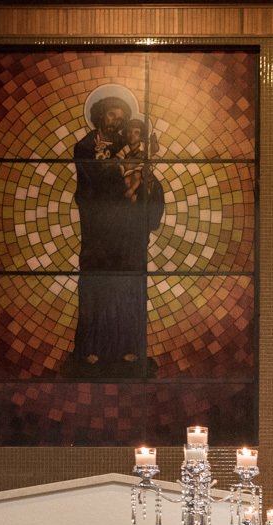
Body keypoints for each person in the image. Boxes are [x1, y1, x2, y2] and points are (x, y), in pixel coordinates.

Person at [70, 89, 165, 374]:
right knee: (97, 287)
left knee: (128, 286)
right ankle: (91, 349)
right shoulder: (86, 147)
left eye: (121, 118)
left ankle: (129, 349)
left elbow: (143, 178)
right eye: (111, 114)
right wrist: (120, 179)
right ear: (100, 114)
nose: (115, 121)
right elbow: (93, 183)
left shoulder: (129, 147)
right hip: (100, 230)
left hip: (127, 235)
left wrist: (147, 188)